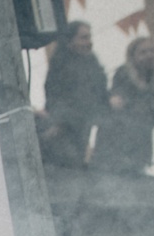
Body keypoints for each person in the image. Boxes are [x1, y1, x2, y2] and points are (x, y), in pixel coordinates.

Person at [96, 36, 154, 177]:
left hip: (141, 147)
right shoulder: (123, 76)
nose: (149, 55)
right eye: (143, 52)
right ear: (132, 57)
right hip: (118, 146)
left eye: (152, 51)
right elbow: (131, 108)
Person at [39, 20, 109, 171]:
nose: (89, 42)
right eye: (83, 38)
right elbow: (54, 96)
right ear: (70, 40)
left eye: (89, 37)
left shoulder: (92, 63)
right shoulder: (60, 64)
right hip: (63, 127)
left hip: (85, 125)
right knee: (67, 164)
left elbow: (100, 94)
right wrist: (61, 121)